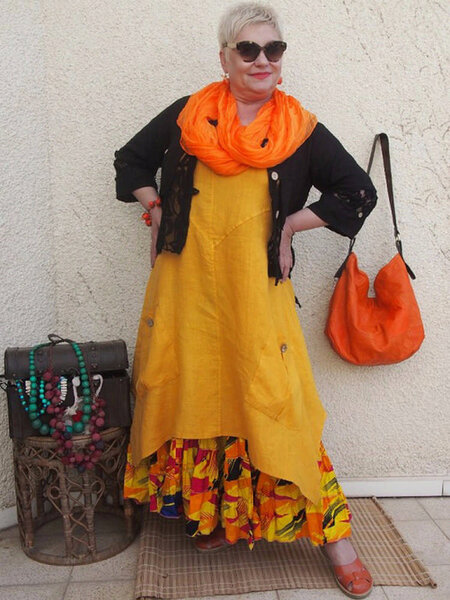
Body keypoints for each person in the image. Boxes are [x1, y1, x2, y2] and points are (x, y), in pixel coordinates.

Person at [114, 3, 376, 598]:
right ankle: (219, 516)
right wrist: (155, 207)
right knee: (198, 390)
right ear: (225, 58)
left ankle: (337, 541)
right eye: (249, 49)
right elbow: (129, 160)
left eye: (273, 49)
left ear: (282, 59)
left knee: (276, 398)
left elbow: (357, 192)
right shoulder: (188, 116)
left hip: (256, 290)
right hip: (186, 286)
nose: (263, 60)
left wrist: (289, 227)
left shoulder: (298, 128)